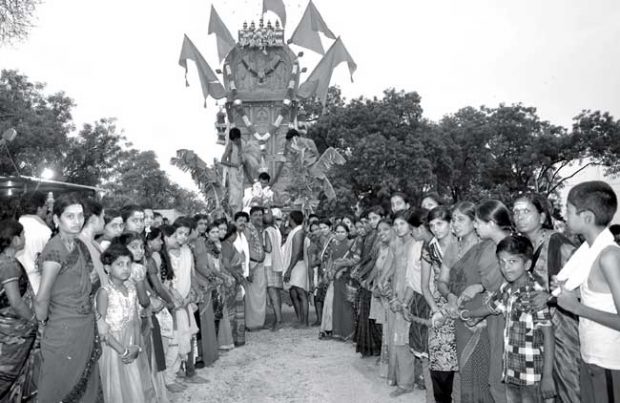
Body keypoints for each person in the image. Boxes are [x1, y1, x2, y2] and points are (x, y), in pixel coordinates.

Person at [461, 235, 555, 402]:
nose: (506, 268)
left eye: (512, 262)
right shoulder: (506, 287)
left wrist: (547, 376)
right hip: (511, 372)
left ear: (527, 264)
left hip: (532, 376)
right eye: (502, 262)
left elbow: (548, 336)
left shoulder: (535, 294)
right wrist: (469, 314)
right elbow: (491, 307)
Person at [555, 181, 620, 402]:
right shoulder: (589, 253)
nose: (565, 216)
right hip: (591, 358)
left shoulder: (609, 256)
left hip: (610, 363)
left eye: (568, 210)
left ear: (587, 217)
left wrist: (576, 307)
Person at [34, 193, 101, 403]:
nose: (77, 221)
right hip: (62, 330)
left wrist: (91, 281)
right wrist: (42, 324)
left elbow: (83, 284)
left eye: (80, 216)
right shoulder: (55, 250)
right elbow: (42, 296)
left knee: (85, 385)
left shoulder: (79, 246)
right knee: (57, 386)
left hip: (83, 327)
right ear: (56, 220)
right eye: (70, 216)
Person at [512, 193, 579, 402]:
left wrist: (550, 297)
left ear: (541, 217)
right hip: (533, 334)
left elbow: (580, 287)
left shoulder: (559, 243)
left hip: (562, 332)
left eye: (526, 211)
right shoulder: (522, 247)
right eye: (515, 212)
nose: (519, 216)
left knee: (568, 389)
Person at [444, 201, 494, 403]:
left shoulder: (487, 247)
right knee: (465, 370)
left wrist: (480, 287)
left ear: (475, 222)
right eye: (453, 219)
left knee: (480, 368)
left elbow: (496, 281)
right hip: (458, 311)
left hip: (480, 314)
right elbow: (442, 281)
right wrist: (449, 296)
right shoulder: (452, 247)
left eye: (460, 219)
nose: (455, 224)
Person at [97, 243, 155, 403]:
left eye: (128, 264)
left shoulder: (131, 290)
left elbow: (135, 320)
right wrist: (123, 351)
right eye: (120, 264)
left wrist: (136, 346)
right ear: (108, 268)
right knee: (119, 389)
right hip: (114, 349)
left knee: (136, 385)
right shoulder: (104, 292)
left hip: (133, 343)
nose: (125, 268)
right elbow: (102, 330)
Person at [469, 200, 513, 403]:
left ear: (492, 222)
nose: (475, 225)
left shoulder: (512, 249)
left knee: (501, 375)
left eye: (478, 221)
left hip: (507, 317)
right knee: (494, 371)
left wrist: (475, 314)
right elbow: (486, 283)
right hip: (492, 315)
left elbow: (504, 291)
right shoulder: (487, 246)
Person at [421, 206, 459, 403]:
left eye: (440, 223)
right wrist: (436, 311)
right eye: (432, 225)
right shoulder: (429, 248)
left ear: (451, 223)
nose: (436, 228)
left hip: (463, 304)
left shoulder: (464, 244)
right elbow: (425, 286)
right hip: (438, 308)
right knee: (440, 367)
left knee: (463, 364)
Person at [160, 220, 205, 385]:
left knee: (187, 338)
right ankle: (169, 378)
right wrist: (177, 299)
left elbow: (191, 275)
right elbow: (166, 281)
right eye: (179, 233)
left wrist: (194, 292)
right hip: (173, 304)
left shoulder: (187, 251)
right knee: (174, 341)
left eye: (186, 234)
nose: (183, 237)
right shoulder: (165, 254)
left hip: (186, 302)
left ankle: (185, 372)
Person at [0, 219, 38, 402]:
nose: (25, 238)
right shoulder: (8, 264)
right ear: (15, 240)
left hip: (10, 325)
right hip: (13, 329)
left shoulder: (6, 261)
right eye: (23, 235)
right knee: (7, 371)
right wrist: (33, 319)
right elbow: (15, 302)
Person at [386, 211, 416, 397]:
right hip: (397, 297)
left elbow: (414, 277)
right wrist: (393, 296)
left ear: (410, 226)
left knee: (405, 340)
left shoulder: (415, 244)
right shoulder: (397, 244)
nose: (398, 228)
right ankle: (405, 380)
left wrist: (404, 301)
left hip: (410, 298)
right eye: (395, 224)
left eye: (402, 224)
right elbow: (394, 272)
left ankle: (407, 382)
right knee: (399, 339)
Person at [353, 206, 384, 357]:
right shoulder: (370, 236)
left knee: (374, 314)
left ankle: (377, 348)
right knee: (367, 313)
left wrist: (363, 274)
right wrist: (360, 269)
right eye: (370, 219)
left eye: (375, 218)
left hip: (376, 278)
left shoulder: (381, 236)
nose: (372, 222)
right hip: (368, 276)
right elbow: (368, 258)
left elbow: (375, 260)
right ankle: (371, 347)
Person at [319, 223, 358, 339]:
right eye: (337, 232)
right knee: (336, 305)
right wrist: (327, 273)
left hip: (346, 279)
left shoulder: (352, 245)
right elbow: (330, 260)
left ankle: (348, 332)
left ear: (347, 233)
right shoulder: (333, 244)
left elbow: (354, 262)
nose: (340, 234)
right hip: (335, 279)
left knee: (347, 306)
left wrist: (343, 270)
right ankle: (337, 331)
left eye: (343, 232)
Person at [189, 216, 219, 367]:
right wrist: (211, 278)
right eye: (199, 224)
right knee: (198, 321)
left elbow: (204, 264)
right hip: (197, 283)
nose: (202, 226)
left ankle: (206, 354)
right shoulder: (191, 243)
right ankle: (198, 356)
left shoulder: (200, 241)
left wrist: (211, 278)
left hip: (204, 282)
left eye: (204, 223)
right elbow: (198, 266)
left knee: (204, 320)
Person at [369, 219, 394, 379]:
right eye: (379, 231)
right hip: (382, 293)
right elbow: (377, 268)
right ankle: (388, 364)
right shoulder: (382, 247)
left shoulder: (396, 248)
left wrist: (383, 286)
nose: (382, 233)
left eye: (386, 229)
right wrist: (374, 283)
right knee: (385, 328)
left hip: (392, 294)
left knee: (392, 330)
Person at [16, 191, 51, 293]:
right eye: (45, 205)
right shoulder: (44, 231)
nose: (47, 209)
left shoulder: (15, 226)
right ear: (39, 209)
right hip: (39, 285)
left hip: (17, 287)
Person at [220, 223, 247, 346]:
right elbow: (226, 264)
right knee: (232, 310)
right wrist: (236, 275)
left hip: (234, 279)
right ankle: (230, 338)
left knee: (236, 310)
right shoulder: (226, 245)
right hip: (230, 280)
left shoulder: (229, 244)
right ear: (231, 234)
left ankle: (236, 338)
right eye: (235, 233)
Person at [245, 206, 271, 330]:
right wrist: (248, 269)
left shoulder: (259, 229)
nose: (258, 217)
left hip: (260, 264)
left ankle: (259, 323)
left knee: (260, 295)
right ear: (250, 216)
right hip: (252, 265)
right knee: (252, 297)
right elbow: (244, 249)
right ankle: (251, 324)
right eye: (255, 215)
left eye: (260, 215)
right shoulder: (247, 229)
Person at [283, 211, 310, 327]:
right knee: (293, 293)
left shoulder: (298, 233)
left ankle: (305, 322)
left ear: (292, 219)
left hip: (298, 266)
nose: (287, 221)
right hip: (294, 265)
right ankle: (300, 319)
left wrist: (289, 270)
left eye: (288, 218)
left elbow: (297, 252)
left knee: (301, 293)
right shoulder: (294, 232)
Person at [264, 208, 285, 331]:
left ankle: (278, 320)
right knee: (276, 292)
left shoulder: (267, 230)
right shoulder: (276, 229)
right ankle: (278, 318)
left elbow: (268, 248)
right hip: (277, 263)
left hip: (269, 264)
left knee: (273, 293)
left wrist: (257, 246)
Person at [79, 198, 106, 288]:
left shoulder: (93, 243)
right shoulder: (80, 244)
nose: (104, 222)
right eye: (102, 217)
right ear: (94, 219)